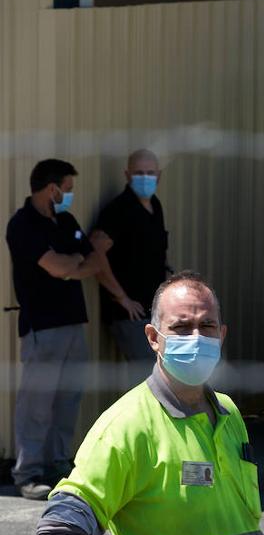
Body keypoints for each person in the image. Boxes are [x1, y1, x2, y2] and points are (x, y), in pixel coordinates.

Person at [35, 272, 264, 535]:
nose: (196, 336)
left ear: (222, 334)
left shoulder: (228, 413)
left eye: (206, 325)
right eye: (180, 327)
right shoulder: (128, 425)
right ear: (153, 338)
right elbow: (59, 530)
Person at [6, 159, 101, 500]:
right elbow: (58, 265)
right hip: (42, 326)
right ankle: (28, 473)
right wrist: (72, 263)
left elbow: (94, 261)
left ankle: (59, 463)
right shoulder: (22, 224)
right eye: (68, 189)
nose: (70, 196)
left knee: (67, 398)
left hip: (74, 322)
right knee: (37, 401)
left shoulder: (66, 220)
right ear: (52, 189)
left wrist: (72, 265)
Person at [91, 149, 170, 373]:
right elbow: (95, 253)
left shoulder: (155, 205)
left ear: (159, 175)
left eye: (150, 173)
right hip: (130, 316)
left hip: (153, 311)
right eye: (138, 173)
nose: (145, 178)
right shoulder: (119, 209)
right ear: (127, 175)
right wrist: (122, 297)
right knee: (150, 376)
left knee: (164, 374)